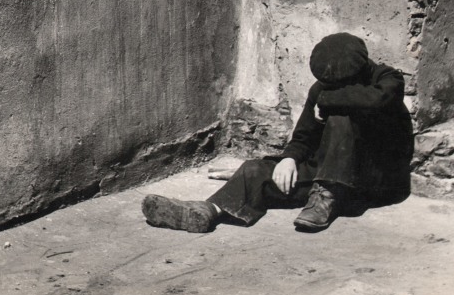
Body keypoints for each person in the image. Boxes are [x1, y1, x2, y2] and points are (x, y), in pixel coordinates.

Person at [142, 32, 414, 233]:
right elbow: (304, 136)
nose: (328, 90)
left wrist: (328, 101)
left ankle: (326, 197)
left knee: (343, 116)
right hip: (330, 172)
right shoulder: (322, 90)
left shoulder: (387, 79)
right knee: (256, 171)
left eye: (336, 86)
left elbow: (374, 100)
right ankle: (207, 212)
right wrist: (289, 159)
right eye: (326, 85)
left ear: (360, 71)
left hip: (374, 179)